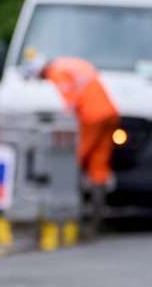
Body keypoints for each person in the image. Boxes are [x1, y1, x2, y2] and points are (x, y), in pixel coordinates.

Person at [24, 53, 120, 187]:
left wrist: (63, 124)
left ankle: (67, 190)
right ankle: (98, 195)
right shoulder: (66, 64)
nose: (43, 80)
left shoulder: (56, 72)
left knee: (76, 155)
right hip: (109, 112)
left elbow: (70, 103)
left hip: (92, 116)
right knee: (99, 157)